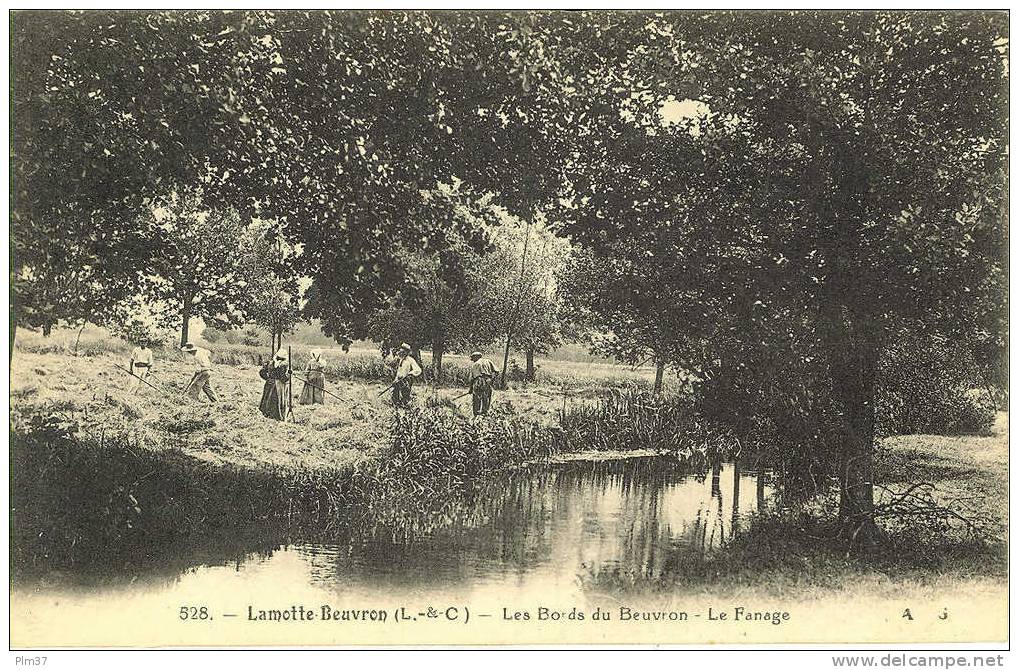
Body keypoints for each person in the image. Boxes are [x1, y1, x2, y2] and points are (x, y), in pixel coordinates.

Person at [259, 349, 291, 420]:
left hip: (269, 383)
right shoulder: (283, 365)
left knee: (267, 398)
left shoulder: (270, 363)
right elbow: (283, 378)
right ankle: (275, 416)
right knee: (276, 400)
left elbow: (262, 372)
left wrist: (268, 378)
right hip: (278, 385)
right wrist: (289, 375)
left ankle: (266, 413)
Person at [468, 351, 499, 416]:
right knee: (486, 397)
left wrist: (470, 389)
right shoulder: (488, 361)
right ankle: (485, 413)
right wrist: (491, 380)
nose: (472, 360)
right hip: (488, 380)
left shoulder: (475, 364)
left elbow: (471, 379)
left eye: (473, 358)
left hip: (478, 381)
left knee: (477, 398)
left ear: (476, 357)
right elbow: (497, 372)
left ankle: (477, 413)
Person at [392, 342, 422, 407]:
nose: (400, 351)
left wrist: (410, 374)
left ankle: (406, 407)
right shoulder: (401, 359)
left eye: (402, 350)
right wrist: (395, 380)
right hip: (399, 380)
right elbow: (399, 371)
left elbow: (418, 370)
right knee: (395, 393)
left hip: (406, 380)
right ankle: (396, 406)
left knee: (405, 394)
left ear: (406, 351)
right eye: (400, 349)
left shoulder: (410, 360)